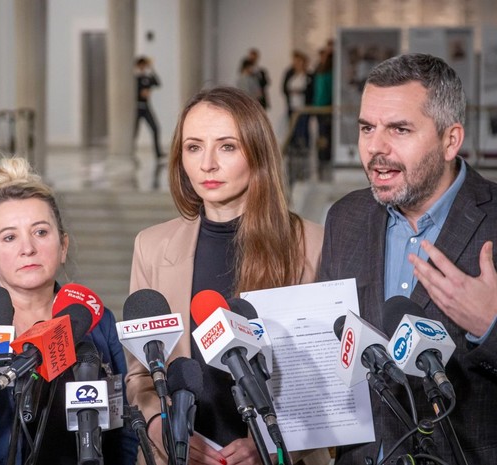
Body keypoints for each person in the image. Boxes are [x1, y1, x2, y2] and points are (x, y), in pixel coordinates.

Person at [127, 87, 329, 465]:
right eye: (193, 147)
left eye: (227, 147)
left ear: (257, 152)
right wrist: (161, 428)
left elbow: (328, 379)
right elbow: (139, 378)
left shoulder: (312, 245)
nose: (207, 164)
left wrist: (272, 444)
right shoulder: (151, 247)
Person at [319, 53, 497, 464]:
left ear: (450, 140)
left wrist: (490, 325)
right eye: (367, 128)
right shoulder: (345, 218)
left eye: (399, 129)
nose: (375, 148)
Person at [0, 154, 138, 465]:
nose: (28, 248)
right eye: (10, 237)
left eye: (40, 232)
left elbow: (124, 430)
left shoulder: (94, 319)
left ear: (63, 246)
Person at [134, 56, 166, 189]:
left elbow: (157, 83)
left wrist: (151, 69)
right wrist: (140, 92)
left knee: (155, 128)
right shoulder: (134, 78)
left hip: (146, 108)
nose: (143, 68)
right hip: (136, 108)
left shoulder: (146, 78)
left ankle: (158, 153)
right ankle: (130, 153)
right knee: (133, 133)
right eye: (142, 65)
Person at [282, 50, 314, 162]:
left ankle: (304, 149)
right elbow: (284, 88)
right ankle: (294, 149)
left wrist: (300, 92)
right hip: (292, 106)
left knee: (303, 128)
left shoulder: (308, 76)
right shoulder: (290, 74)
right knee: (293, 129)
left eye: (299, 61)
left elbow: (310, 91)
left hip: (303, 107)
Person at [312, 45, 333, 181]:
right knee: (321, 135)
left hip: (326, 108)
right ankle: (321, 160)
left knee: (326, 135)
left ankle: (325, 160)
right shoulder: (319, 70)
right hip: (319, 108)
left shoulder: (330, 72)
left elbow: (329, 91)